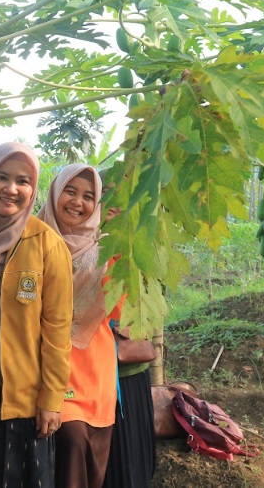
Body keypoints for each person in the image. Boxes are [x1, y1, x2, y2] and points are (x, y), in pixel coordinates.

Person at [0, 142, 73, 487]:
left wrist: (52, 399)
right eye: (2, 177)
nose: (11, 189)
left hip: (18, 396)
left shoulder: (47, 245)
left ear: (33, 188)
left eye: (23, 181)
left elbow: (57, 330)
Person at [36, 164, 117, 488]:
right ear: (55, 193)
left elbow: (120, 312)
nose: (77, 202)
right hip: (44, 373)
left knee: (89, 470)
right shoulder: (29, 239)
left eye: (88, 196)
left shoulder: (108, 249)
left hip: (93, 374)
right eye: (70, 191)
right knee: (69, 449)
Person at [100, 175, 156, 488]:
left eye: (118, 196)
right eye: (104, 195)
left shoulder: (137, 245)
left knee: (132, 452)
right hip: (93, 364)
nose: (111, 204)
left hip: (130, 363)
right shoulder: (80, 243)